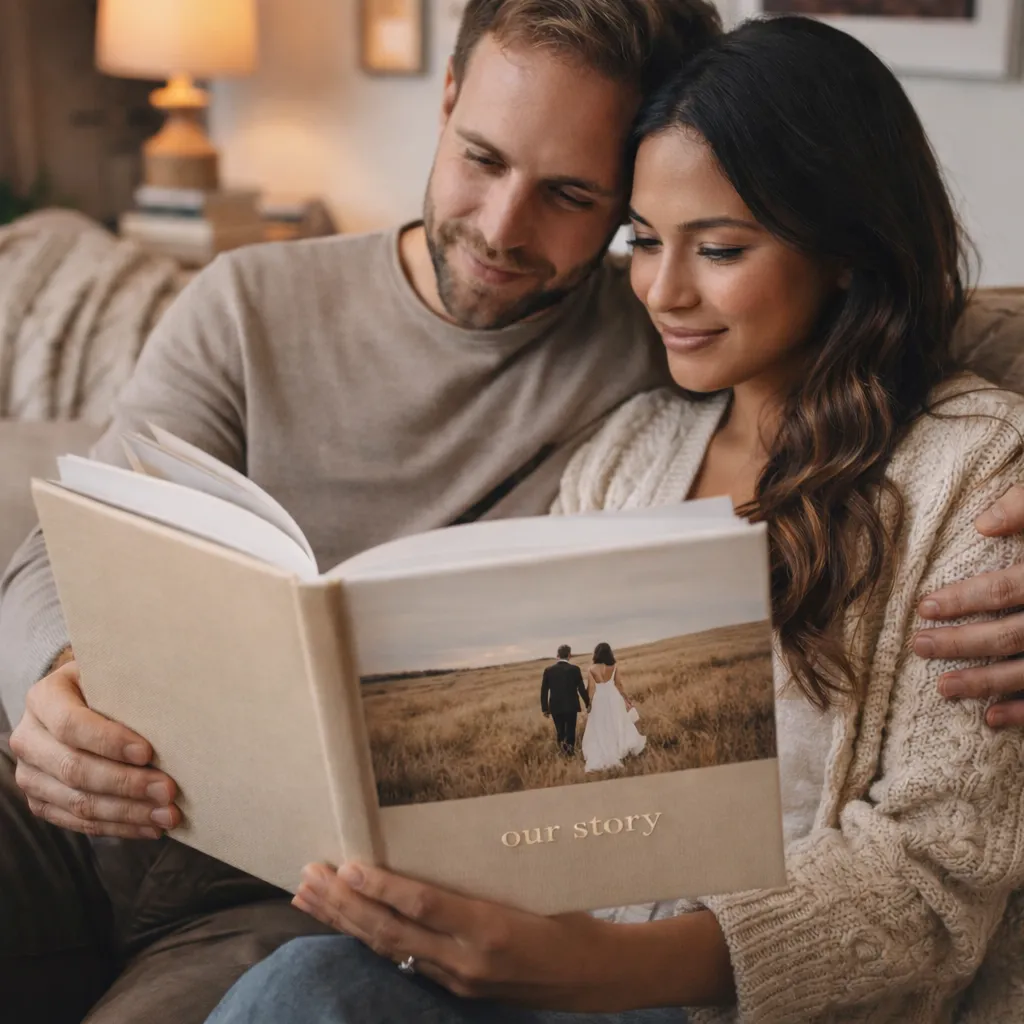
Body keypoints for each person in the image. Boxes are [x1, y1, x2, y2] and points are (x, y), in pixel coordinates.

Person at [203, 17, 1024, 1023]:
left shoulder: (970, 473)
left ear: (845, 252)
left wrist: (599, 969)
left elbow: (935, 880)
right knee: (302, 985)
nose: (664, 293)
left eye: (719, 249)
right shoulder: (628, 450)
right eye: (642, 241)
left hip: (711, 996)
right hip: (546, 962)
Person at [582, 642, 646, 772]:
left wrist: (588, 704)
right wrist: (627, 700)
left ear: (596, 653)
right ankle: (620, 749)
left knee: (601, 725)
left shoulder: (592, 669)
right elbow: (619, 685)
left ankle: (605, 751)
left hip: (600, 700)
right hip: (614, 697)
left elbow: (591, 689)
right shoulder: (614, 667)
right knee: (617, 722)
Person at [540, 645, 590, 756]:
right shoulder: (575, 669)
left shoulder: (548, 670)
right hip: (571, 705)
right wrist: (587, 703)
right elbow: (581, 688)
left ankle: (562, 752)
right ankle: (570, 752)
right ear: (569, 655)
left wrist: (545, 708)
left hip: (555, 706)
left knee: (560, 731)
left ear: (557, 655)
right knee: (571, 729)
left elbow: (544, 690)